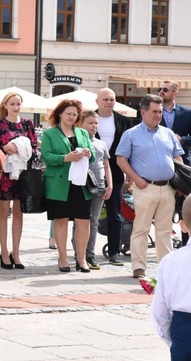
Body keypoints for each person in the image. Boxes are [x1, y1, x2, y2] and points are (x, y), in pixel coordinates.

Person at [116, 94, 183, 279]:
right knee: (141, 229)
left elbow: (178, 157)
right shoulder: (131, 134)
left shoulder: (168, 133)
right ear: (143, 112)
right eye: (154, 111)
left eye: (160, 111)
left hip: (168, 188)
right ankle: (139, 267)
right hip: (145, 188)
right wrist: (136, 179)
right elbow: (121, 159)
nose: (158, 115)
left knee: (165, 230)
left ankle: (166, 268)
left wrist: (179, 181)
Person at [41, 99, 94, 273]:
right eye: (68, 113)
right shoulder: (50, 134)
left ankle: (81, 259)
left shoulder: (82, 132)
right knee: (61, 220)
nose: (71, 117)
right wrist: (65, 158)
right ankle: (63, 258)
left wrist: (88, 153)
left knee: (83, 221)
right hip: (59, 183)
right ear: (60, 114)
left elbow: (92, 155)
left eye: (74, 114)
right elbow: (46, 156)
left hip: (80, 183)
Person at [0, 92, 37, 270]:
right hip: (5, 173)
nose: (16, 107)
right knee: (3, 213)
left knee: (18, 213)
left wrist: (19, 148)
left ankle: (15, 252)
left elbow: (33, 145)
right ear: (6, 105)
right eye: (12, 104)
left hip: (22, 172)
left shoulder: (27, 124)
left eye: (18, 104)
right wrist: (5, 148)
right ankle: (3, 251)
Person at [152, 191, 191, 358]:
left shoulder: (170, 260)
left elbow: (159, 310)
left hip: (182, 328)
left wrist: (173, 340)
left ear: (183, 226)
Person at [158, 80, 191, 246]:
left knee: (185, 211)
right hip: (160, 168)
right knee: (162, 213)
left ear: (175, 93)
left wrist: (181, 139)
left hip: (182, 169)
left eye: (165, 89)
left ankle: (187, 247)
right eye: (159, 89)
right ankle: (163, 248)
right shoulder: (154, 111)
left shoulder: (186, 113)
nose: (161, 92)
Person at [95, 87, 130, 266]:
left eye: (112, 99)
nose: (109, 102)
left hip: (116, 171)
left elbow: (131, 148)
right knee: (87, 214)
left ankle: (114, 251)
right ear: (97, 102)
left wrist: (131, 173)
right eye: (105, 99)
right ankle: (85, 249)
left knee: (115, 212)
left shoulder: (123, 121)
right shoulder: (88, 119)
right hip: (91, 171)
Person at [74, 111, 112, 270]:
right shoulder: (77, 140)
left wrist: (109, 185)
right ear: (81, 123)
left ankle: (90, 254)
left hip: (99, 185)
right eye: (90, 123)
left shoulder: (101, 143)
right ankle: (78, 253)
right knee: (80, 221)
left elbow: (106, 165)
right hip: (83, 185)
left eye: (96, 123)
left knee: (94, 221)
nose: (94, 126)